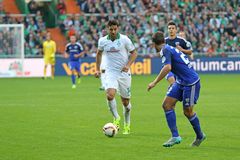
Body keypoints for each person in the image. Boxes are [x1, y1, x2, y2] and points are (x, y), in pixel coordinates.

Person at [147, 31, 206, 147]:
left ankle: (200, 135)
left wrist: (154, 82)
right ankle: (175, 136)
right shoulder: (168, 48)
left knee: (187, 112)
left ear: (154, 44)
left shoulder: (165, 50)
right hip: (180, 81)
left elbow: (167, 67)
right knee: (167, 105)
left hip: (190, 83)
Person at [95, 19, 137, 134]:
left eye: (115, 29)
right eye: (111, 29)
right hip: (110, 72)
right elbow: (98, 54)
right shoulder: (102, 41)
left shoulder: (124, 39)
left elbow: (134, 53)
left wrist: (128, 65)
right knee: (110, 95)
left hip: (124, 73)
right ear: (107, 28)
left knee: (126, 103)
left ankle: (127, 124)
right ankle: (116, 117)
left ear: (118, 28)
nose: (113, 31)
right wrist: (97, 69)